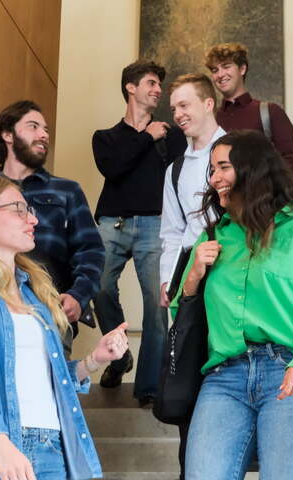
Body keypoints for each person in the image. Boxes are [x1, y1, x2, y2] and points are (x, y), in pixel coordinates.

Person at [0, 175, 130, 480]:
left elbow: (45, 380)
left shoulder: (35, 292)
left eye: (29, 209)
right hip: (0, 449)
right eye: (19, 209)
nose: (33, 218)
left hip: (57, 447)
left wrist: (94, 360)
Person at [172, 130, 293, 479]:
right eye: (211, 170)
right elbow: (182, 320)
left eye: (223, 167)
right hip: (223, 378)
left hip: (290, 371)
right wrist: (192, 276)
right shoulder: (212, 237)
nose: (214, 178)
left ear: (253, 168)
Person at [92, 60, 187, 404]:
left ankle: (148, 387)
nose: (157, 90)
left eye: (159, 85)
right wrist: (146, 137)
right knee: (98, 288)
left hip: (155, 226)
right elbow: (113, 168)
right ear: (130, 87)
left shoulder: (173, 137)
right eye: (150, 83)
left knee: (157, 305)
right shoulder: (106, 138)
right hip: (111, 223)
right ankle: (119, 355)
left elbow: (181, 180)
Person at [0, 100, 105, 350]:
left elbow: (92, 251)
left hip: (51, 317)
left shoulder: (67, 191)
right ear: (7, 134)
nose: (44, 135)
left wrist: (79, 295)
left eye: (45, 130)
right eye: (33, 126)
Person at [159, 73, 225, 308]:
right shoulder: (174, 171)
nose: (177, 115)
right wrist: (167, 279)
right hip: (189, 277)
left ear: (208, 104)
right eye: (174, 108)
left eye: (184, 105)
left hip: (230, 268)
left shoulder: (239, 154)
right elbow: (172, 231)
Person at [204, 42, 293, 176]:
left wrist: (261, 185)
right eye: (215, 70)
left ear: (242, 69)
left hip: (263, 196)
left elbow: (292, 162)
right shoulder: (212, 119)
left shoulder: (269, 112)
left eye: (226, 66)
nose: (220, 74)